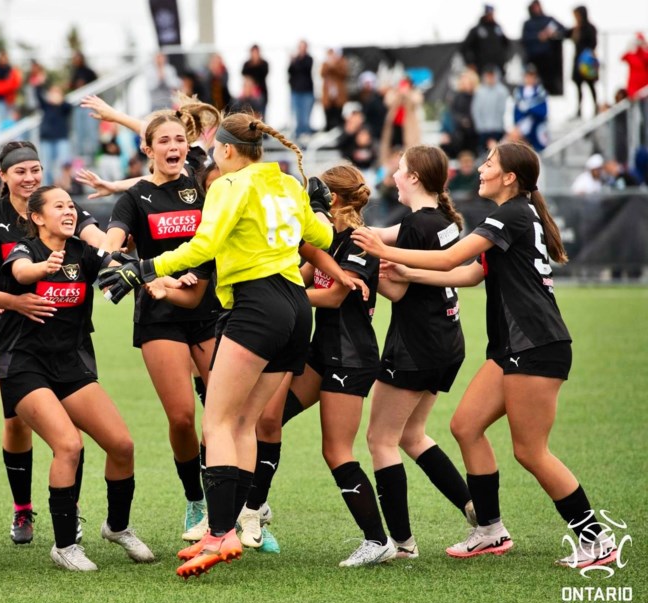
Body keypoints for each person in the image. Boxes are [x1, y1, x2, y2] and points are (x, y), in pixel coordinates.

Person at [98, 112, 359, 578]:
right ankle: (233, 527)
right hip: (297, 309)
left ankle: (218, 533)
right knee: (243, 423)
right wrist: (316, 205)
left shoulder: (228, 186)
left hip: (256, 306)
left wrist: (145, 267)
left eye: (215, 148)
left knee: (217, 422)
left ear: (227, 150)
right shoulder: (285, 184)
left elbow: (203, 245)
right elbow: (320, 236)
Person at [352, 141, 618, 569]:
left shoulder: (510, 213)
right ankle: (489, 529)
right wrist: (408, 271)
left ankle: (596, 540)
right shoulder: (512, 214)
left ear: (509, 177)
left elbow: (454, 256)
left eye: (489, 163)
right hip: (513, 349)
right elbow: (470, 273)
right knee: (465, 425)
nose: (480, 168)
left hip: (535, 346)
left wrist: (383, 252)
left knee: (531, 451)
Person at [246, 164, 396, 566]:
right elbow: (303, 273)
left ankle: (377, 540)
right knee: (266, 421)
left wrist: (280, 298)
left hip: (351, 356)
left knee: (336, 450)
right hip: (319, 352)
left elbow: (332, 298)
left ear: (331, 198)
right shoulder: (326, 236)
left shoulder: (361, 241)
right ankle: (255, 506)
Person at [1, 185, 155, 571]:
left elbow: (116, 267)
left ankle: (117, 527)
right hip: (23, 364)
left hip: (69, 363)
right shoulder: (26, 251)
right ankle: (65, 545)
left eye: (72, 205)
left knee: (121, 445)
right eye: (59, 206)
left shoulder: (83, 252)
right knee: (68, 445)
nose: (70, 211)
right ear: (37, 218)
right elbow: (20, 272)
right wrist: (42, 269)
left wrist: (161, 280)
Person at [0, 141, 105, 546]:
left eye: (35, 169)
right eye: (20, 171)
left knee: (73, 427)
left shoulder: (59, 206)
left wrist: (121, 251)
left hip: (69, 335)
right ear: (4, 175)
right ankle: (23, 510)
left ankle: (70, 510)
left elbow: (98, 240)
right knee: (17, 423)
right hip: (17, 333)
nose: (29, 178)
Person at [104, 104, 223, 543]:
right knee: (182, 417)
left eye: (179, 140)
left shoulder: (200, 183)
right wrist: (152, 272)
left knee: (225, 414)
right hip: (160, 316)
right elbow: (113, 251)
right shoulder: (134, 197)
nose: (173, 147)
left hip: (211, 311)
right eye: (164, 141)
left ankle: (242, 508)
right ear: (147, 149)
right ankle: (195, 500)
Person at [352, 145, 476, 561]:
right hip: (447, 342)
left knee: (380, 439)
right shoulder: (439, 220)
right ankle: (477, 511)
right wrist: (355, 233)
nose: (394, 175)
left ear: (415, 179)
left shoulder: (416, 225)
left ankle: (402, 544)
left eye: (400, 170)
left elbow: (398, 289)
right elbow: (390, 238)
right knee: (412, 435)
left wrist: (360, 270)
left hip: (416, 347)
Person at [522, 1, 567, 95]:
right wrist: (538, 36)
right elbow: (524, 38)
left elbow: (564, 30)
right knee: (533, 82)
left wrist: (553, 34)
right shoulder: (528, 23)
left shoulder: (548, 20)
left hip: (548, 58)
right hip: (533, 57)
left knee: (549, 82)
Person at [34, 81, 73, 184]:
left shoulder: (64, 107)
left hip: (61, 138)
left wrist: (61, 101)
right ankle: (47, 186)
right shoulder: (46, 106)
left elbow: (69, 108)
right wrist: (39, 84)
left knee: (63, 164)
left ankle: (63, 186)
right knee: (46, 165)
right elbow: (38, 96)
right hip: (47, 139)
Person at [462, 5, 511, 75]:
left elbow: (507, 44)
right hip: (481, 68)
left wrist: (504, 60)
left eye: (492, 14)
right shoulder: (476, 30)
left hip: (498, 67)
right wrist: (470, 63)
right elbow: (465, 47)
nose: (491, 16)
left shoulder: (498, 29)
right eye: (489, 14)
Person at [511, 64, 550, 151]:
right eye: (527, 76)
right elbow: (516, 112)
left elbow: (543, 111)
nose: (529, 78)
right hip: (522, 125)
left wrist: (529, 109)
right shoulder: (519, 92)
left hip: (536, 125)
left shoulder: (540, 92)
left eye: (532, 76)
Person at [472, 66, 509, 152]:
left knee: (499, 152)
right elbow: (476, 110)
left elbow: (505, 110)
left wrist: (503, 126)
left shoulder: (503, 91)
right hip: (483, 130)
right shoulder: (480, 91)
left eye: (492, 76)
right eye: (488, 76)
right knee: (483, 153)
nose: (490, 78)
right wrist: (479, 126)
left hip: (499, 129)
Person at [570, 5, 599, 118]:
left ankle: (595, 107)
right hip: (578, 60)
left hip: (587, 61)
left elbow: (593, 43)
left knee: (591, 85)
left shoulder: (590, 28)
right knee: (578, 86)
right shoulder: (576, 29)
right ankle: (579, 109)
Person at [69, 51, 99, 158]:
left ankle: (94, 155)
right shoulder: (74, 73)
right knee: (79, 133)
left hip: (89, 106)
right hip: (78, 106)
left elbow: (96, 86)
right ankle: (80, 157)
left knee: (91, 132)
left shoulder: (89, 72)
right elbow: (70, 87)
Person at [288, 40, 315, 138]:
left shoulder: (309, 59)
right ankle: (298, 134)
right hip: (296, 91)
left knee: (305, 116)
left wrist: (295, 60)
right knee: (297, 115)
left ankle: (306, 133)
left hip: (306, 91)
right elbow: (290, 71)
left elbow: (304, 68)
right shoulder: (295, 60)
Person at [320, 47, 349, 132]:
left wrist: (333, 66)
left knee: (338, 116)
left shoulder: (342, 62)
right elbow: (322, 73)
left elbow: (343, 74)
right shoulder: (325, 64)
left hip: (338, 96)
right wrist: (329, 65)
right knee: (328, 115)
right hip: (328, 96)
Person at [241, 45, 269, 117]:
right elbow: (244, 74)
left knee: (261, 116)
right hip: (249, 96)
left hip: (261, 93)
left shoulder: (264, 64)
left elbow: (263, 74)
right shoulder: (247, 64)